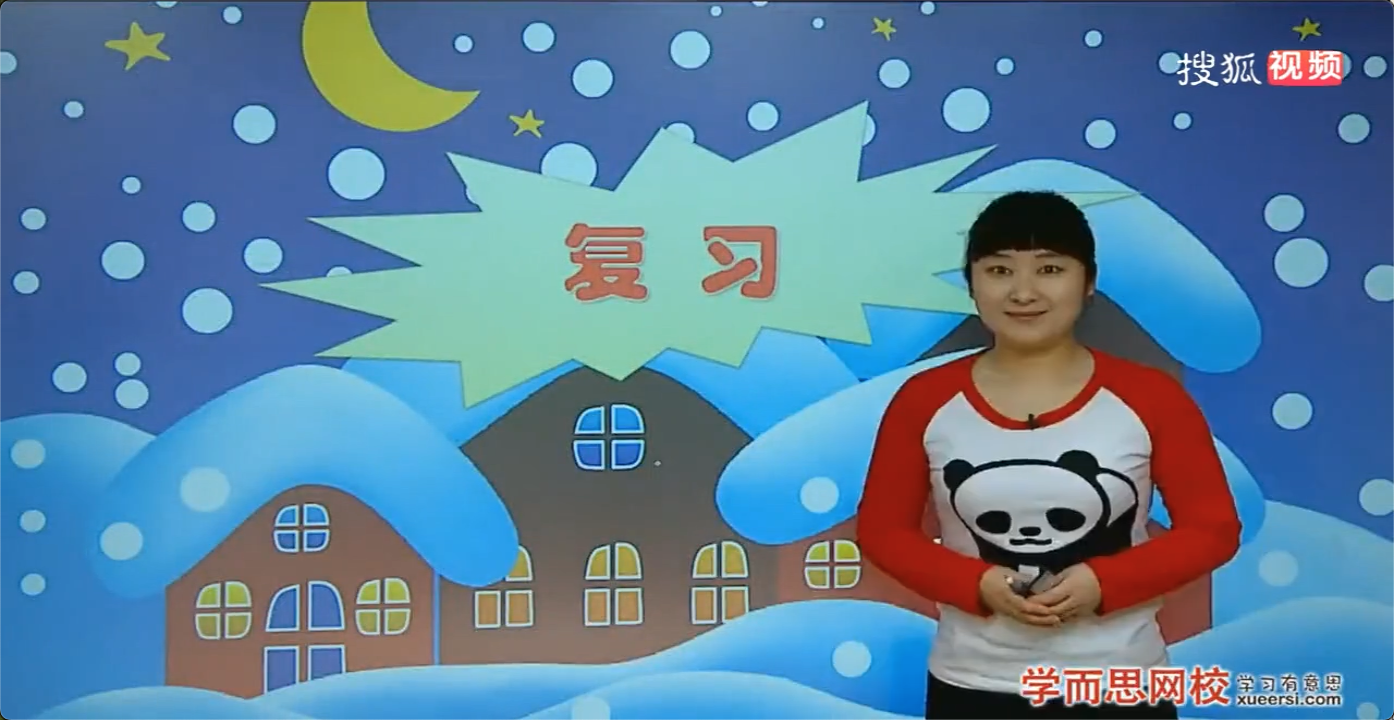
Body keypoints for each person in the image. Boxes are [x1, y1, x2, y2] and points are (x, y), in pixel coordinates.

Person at [856, 191, 1242, 720]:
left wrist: (1104, 584)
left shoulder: (1152, 397)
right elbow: (883, 531)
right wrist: (976, 585)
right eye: (999, 270)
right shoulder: (922, 400)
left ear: (1088, 282)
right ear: (972, 283)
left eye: (1050, 269)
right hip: (973, 685)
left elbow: (1213, 529)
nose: (1023, 292)